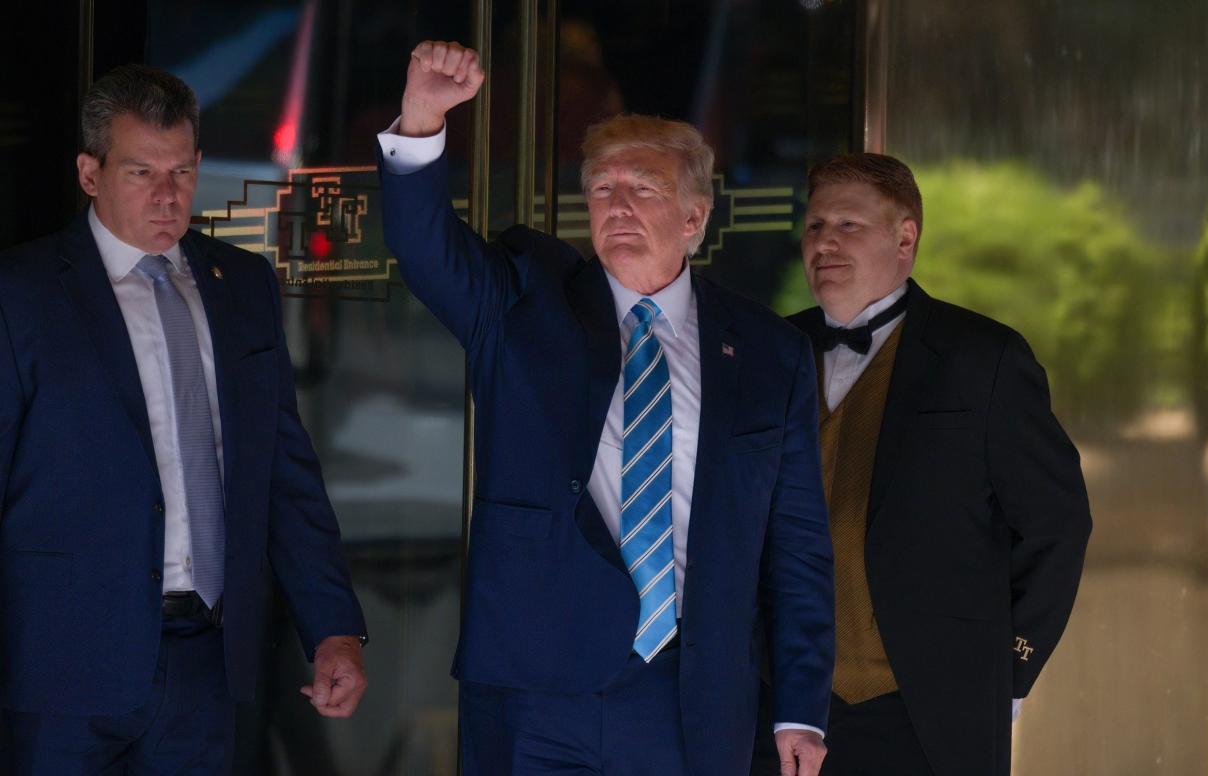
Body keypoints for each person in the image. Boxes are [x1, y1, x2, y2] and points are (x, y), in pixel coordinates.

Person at [377, 41, 835, 776]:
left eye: (643, 189)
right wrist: (423, 118)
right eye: (600, 189)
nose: (617, 205)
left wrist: (801, 706)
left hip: (689, 693)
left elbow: (798, 547)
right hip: (538, 688)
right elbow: (426, 249)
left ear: (694, 216)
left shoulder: (768, 353)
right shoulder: (525, 304)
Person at [0, 65, 368, 773]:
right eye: (141, 172)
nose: (167, 196)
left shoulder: (243, 285)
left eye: (182, 171)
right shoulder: (23, 296)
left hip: (206, 665)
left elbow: (284, 476)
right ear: (89, 173)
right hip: (59, 675)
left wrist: (334, 629)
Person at [754, 153, 1092, 775]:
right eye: (815, 226)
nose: (824, 241)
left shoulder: (984, 358)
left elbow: (1057, 523)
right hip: (782, 713)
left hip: (932, 712)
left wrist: (1007, 671)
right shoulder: (769, 351)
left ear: (905, 237)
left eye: (848, 225)